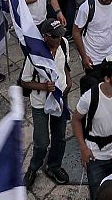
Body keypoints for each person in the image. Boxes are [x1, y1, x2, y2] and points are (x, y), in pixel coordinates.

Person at [71, 57, 112, 198]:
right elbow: (75, 120)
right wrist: (83, 148)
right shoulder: (89, 97)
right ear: (107, 78)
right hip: (95, 156)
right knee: (98, 194)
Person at [21, 20, 72, 188]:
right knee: (42, 141)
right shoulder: (35, 54)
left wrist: (68, 82)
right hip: (40, 102)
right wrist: (43, 86)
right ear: (46, 37)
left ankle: (54, 166)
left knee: (60, 137)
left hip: (59, 98)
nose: (59, 39)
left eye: (60, 35)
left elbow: (65, 65)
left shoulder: (63, 44)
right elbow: (24, 81)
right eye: (55, 36)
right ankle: (33, 167)